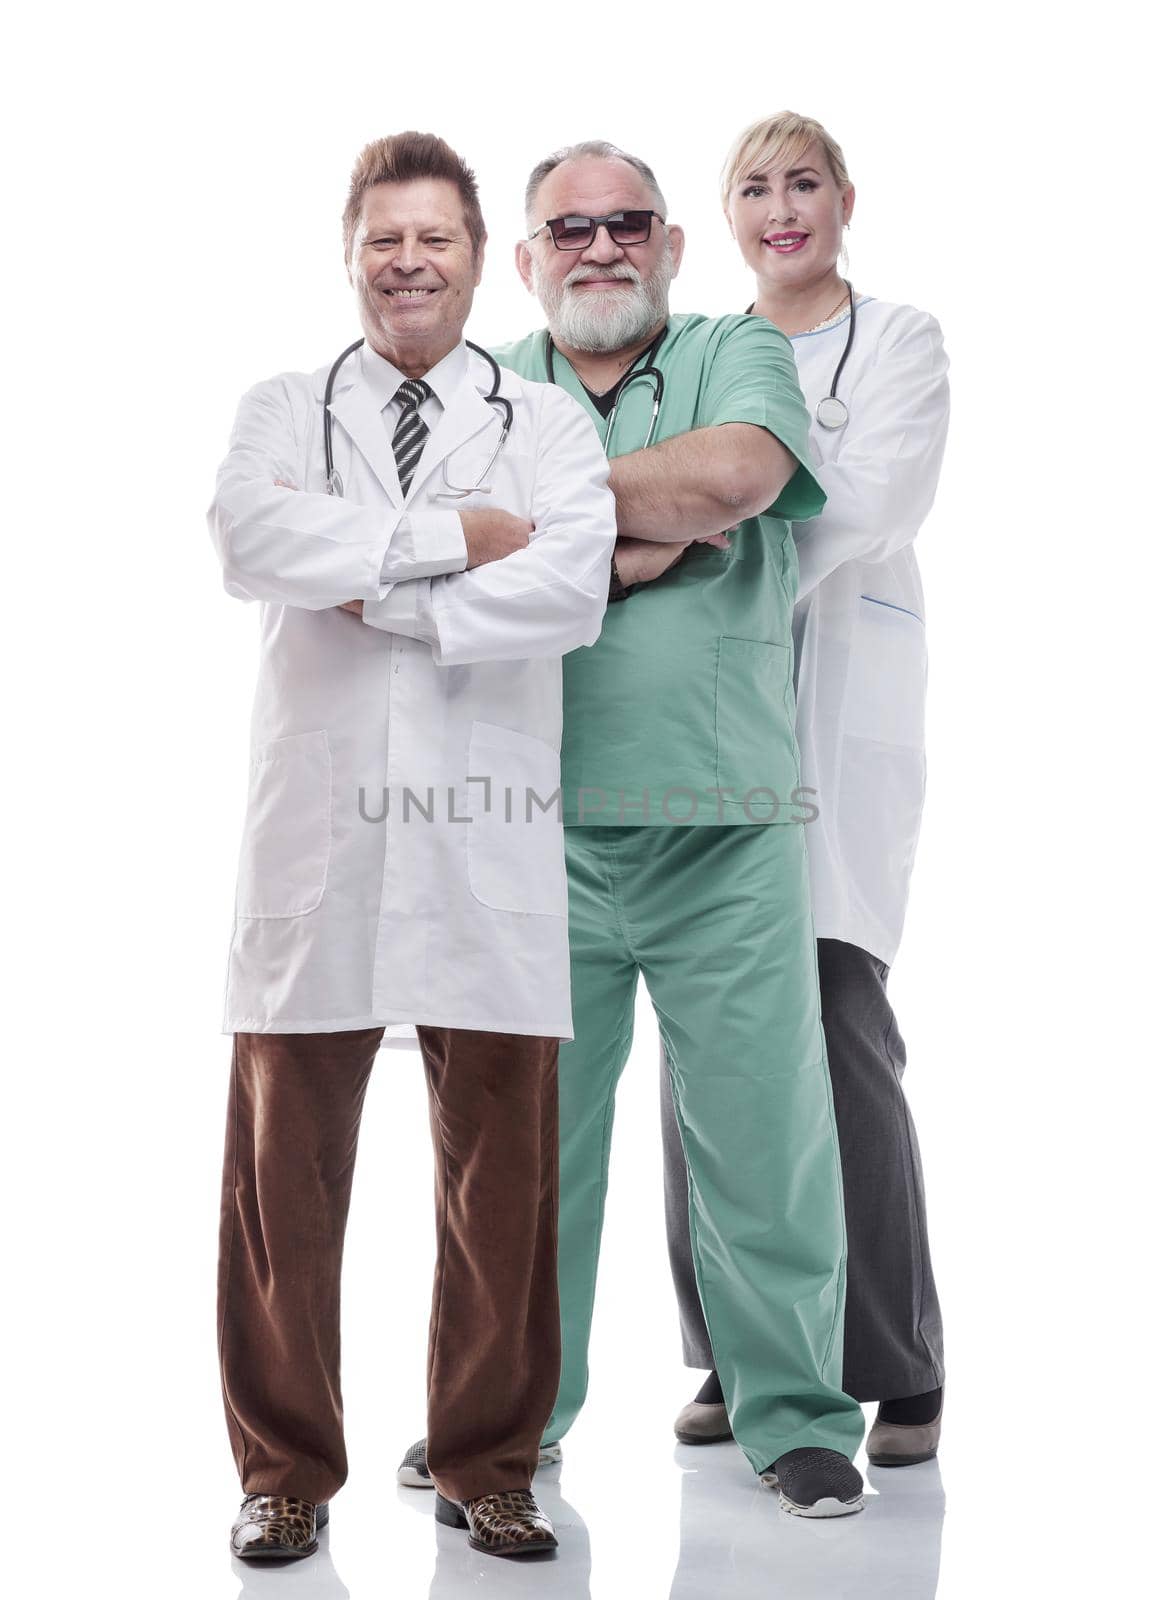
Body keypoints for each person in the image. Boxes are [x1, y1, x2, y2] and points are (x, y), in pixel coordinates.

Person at [400, 139, 867, 1519]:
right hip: (531, 834)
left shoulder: (735, 352)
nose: (597, 246)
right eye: (567, 229)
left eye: (626, 224)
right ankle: (510, 1419)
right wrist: (635, 529)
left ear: (669, 247)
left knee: (761, 1137)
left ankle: (790, 1414)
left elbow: (732, 474)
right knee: (524, 1156)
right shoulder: (482, 387)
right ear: (529, 259)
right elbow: (429, 547)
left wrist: (554, 529)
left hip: (725, 828)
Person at [209, 130, 616, 1562]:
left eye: (433, 237)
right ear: (350, 251)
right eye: (384, 237)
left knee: (502, 1172)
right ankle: (284, 1475)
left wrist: (376, 578)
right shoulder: (281, 407)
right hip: (320, 832)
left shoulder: (548, 423)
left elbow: (567, 586)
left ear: (474, 256)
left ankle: (488, 1463)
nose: (407, 262)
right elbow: (251, 539)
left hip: (482, 828)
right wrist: (456, 537)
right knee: (282, 1177)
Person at [670, 111, 949, 1469]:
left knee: (835, 1023)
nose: (780, 210)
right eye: (753, 190)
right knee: (703, 1024)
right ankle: (732, 1351)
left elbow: (872, 498)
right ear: (726, 217)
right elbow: (666, 494)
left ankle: (896, 1366)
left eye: (801, 186)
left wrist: (719, 522)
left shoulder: (896, 340)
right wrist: (710, 510)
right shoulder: (706, 354)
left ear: (843, 198)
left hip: (838, 717)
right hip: (703, 716)